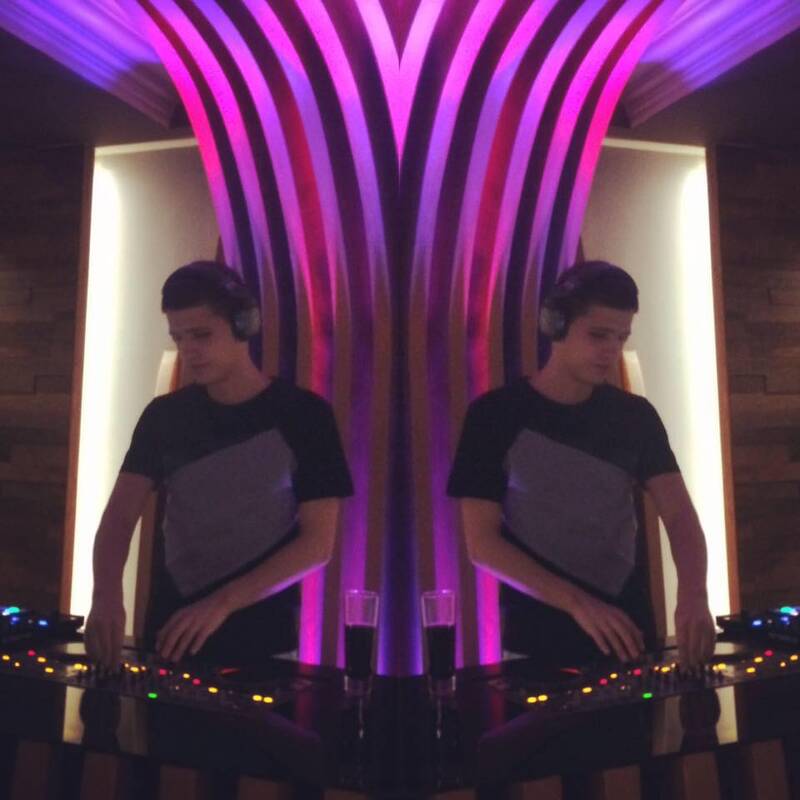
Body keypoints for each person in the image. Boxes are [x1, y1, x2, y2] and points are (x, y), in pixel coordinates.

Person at [84, 261, 353, 669]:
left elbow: (317, 544)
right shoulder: (164, 417)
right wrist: (105, 595)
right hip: (170, 635)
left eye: (201, 335)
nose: (189, 349)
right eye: (179, 337)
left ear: (244, 325)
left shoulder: (305, 416)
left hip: (264, 642)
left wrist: (221, 603)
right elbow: (120, 517)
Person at [447, 261, 715, 670]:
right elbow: (482, 544)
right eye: (598, 335)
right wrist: (579, 603)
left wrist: (694, 594)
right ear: (556, 325)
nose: (611, 349)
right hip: (535, 642)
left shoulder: (635, 417)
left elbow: (678, 515)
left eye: (621, 337)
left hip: (629, 634)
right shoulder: (494, 416)